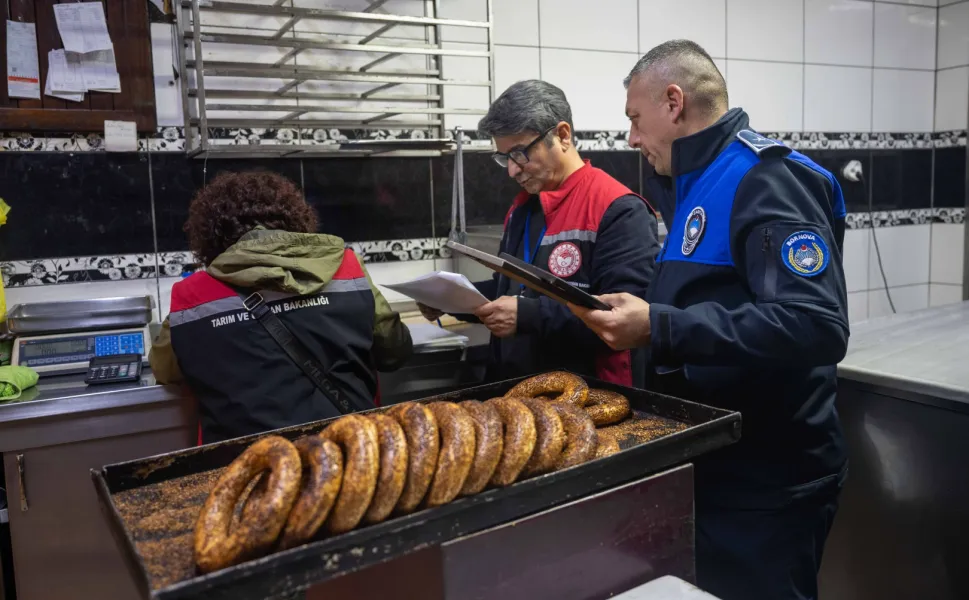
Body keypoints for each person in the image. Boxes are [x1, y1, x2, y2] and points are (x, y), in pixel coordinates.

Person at [569, 41, 849, 600]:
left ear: (674, 102)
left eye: (634, 118)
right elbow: (710, 298)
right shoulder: (699, 181)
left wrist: (660, 326)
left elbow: (815, 324)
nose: (630, 138)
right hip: (720, 466)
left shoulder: (765, 179)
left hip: (768, 480)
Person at [421, 79, 660, 386]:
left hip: (587, 397)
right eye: (504, 157)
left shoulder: (619, 210)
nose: (512, 170)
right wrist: (450, 299)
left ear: (562, 135)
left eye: (520, 153)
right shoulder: (523, 208)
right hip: (518, 392)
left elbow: (622, 319)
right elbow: (509, 289)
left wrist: (527, 316)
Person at [150, 170, 413, 443]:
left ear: (210, 235)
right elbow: (395, 350)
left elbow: (165, 370)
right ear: (295, 217)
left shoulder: (192, 298)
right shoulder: (348, 269)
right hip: (351, 458)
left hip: (249, 472)